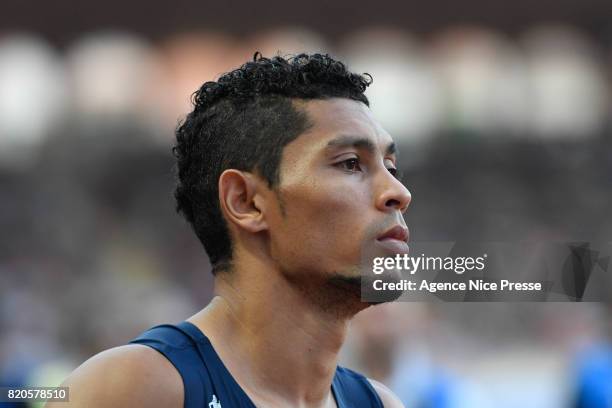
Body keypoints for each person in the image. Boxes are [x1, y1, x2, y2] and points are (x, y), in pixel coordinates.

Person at [46, 52, 410, 408]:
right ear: (246, 202)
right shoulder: (133, 389)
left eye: (391, 168)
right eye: (350, 164)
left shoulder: (379, 402)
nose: (398, 193)